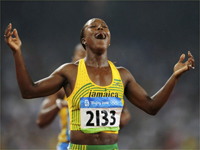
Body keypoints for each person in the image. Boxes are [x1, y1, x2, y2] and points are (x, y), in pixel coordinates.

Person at [4, 18, 195, 150]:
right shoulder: (70, 72)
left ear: (109, 40)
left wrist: (174, 77)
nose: (100, 29)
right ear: (84, 40)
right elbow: (29, 91)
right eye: (93, 26)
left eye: (104, 27)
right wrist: (17, 53)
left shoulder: (123, 75)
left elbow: (151, 107)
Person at [36, 44, 131, 150]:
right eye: (81, 54)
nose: (84, 60)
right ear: (73, 60)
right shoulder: (61, 88)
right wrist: (59, 105)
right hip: (66, 144)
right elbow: (41, 121)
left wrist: (103, 125)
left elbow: (125, 115)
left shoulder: (103, 88)